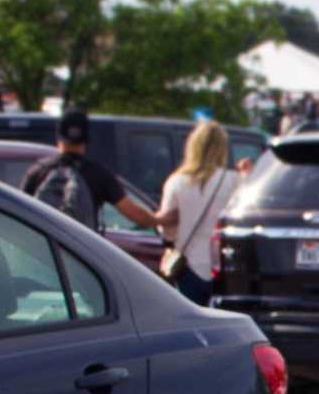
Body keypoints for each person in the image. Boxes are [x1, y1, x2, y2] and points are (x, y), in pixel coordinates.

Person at [21, 109, 160, 232]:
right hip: (80, 253)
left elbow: (20, 212)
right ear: (86, 140)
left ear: (58, 137)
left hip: (45, 254)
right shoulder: (99, 175)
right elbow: (135, 214)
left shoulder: (38, 171)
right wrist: (161, 220)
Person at [155, 120, 240, 306]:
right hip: (223, 266)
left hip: (188, 266)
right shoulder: (234, 180)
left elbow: (166, 229)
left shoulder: (177, 181)